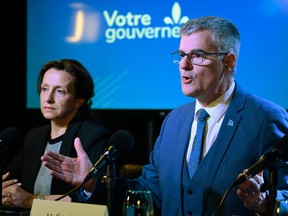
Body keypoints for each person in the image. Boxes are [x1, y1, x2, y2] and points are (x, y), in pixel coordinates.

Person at [41, 16, 288, 215]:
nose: (184, 65)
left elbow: (284, 196)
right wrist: (91, 182)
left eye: (198, 55)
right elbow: (147, 192)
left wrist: (263, 203)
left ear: (229, 61)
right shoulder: (174, 121)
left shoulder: (266, 118)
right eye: (181, 55)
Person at [1, 59, 112, 209]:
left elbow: (90, 198)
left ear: (78, 100)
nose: (48, 98)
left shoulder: (93, 137)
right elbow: (9, 178)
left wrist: (31, 201)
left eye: (60, 91)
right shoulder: (34, 137)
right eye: (45, 89)